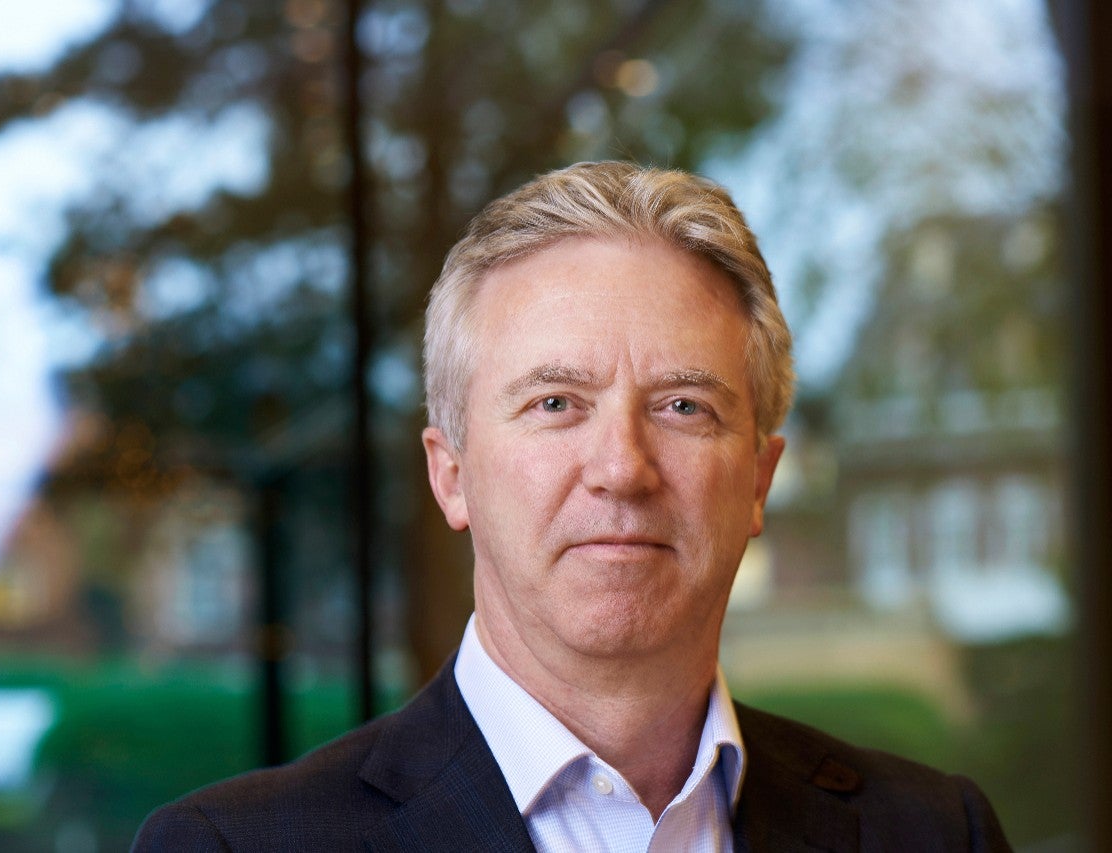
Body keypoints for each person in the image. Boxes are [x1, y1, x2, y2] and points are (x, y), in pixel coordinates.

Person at [132, 162, 1011, 852]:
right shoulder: (234, 847)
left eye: (683, 407)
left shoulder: (936, 834)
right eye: (555, 403)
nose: (622, 468)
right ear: (451, 473)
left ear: (758, 480)